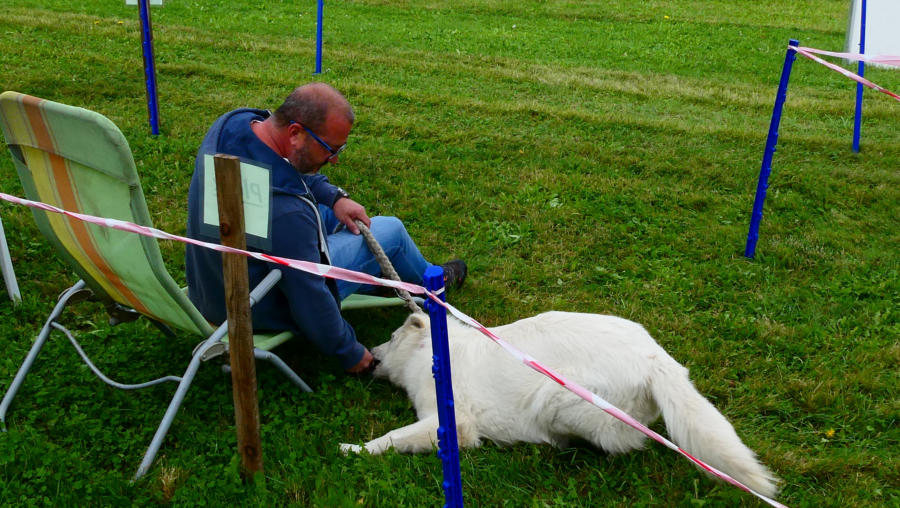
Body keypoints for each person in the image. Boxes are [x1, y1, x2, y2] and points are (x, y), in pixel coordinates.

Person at [185, 83, 466, 373]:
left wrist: (334, 197)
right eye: (331, 149)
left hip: (209, 286)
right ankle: (431, 283)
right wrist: (350, 353)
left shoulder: (231, 125)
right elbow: (310, 298)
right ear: (295, 133)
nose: (335, 159)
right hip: (258, 307)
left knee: (323, 212)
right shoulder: (286, 212)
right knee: (390, 231)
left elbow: (284, 171)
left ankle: (376, 277)